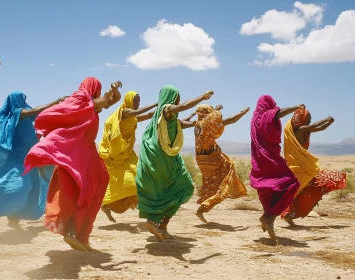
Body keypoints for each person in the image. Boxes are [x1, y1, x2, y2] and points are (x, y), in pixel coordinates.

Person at [23, 77, 121, 252]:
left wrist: (114, 92)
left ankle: (82, 237)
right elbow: (106, 100)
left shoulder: (88, 104)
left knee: (91, 191)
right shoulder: (84, 101)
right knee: (80, 192)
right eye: (98, 89)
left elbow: (111, 101)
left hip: (83, 154)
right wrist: (110, 91)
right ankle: (71, 232)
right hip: (80, 156)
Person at [136, 86, 214, 241]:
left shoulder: (163, 116)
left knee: (165, 192)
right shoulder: (166, 109)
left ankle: (159, 225)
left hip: (162, 158)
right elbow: (184, 106)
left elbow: (179, 124)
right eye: (177, 96)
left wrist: (196, 124)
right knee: (184, 187)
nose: (178, 99)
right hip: (165, 159)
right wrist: (202, 97)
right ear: (172, 97)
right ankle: (157, 224)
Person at [0, 92, 66, 228]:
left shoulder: (26, 116)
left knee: (34, 187)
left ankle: (15, 217)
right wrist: (55, 100)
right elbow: (35, 110)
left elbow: (41, 112)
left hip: (30, 157)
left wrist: (60, 107)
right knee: (20, 185)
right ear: (16, 101)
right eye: (22, 99)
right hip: (18, 158)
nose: (25, 102)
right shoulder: (16, 114)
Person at [183, 104, 249, 223]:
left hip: (202, 161)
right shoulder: (206, 125)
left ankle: (202, 209)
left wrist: (217, 109)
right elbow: (230, 120)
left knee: (212, 185)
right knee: (224, 184)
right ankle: (203, 208)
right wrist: (242, 113)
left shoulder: (197, 125)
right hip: (212, 160)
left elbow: (210, 119)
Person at [98, 91, 157, 223]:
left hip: (127, 152)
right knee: (126, 181)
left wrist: (161, 111)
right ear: (129, 101)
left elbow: (146, 115)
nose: (137, 104)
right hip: (116, 153)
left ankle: (108, 205)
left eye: (138, 101)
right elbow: (137, 112)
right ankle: (107, 203)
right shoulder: (124, 112)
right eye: (135, 101)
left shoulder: (132, 116)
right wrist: (155, 103)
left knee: (140, 175)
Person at [250, 95, 302, 241]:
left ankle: (268, 218)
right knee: (291, 182)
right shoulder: (266, 115)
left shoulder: (254, 119)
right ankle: (268, 218)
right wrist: (297, 107)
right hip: (270, 157)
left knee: (268, 188)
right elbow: (279, 113)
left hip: (259, 160)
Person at [281, 108, 346, 225]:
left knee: (303, 191)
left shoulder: (304, 130)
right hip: (301, 168)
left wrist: (329, 122)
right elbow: (317, 125)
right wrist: (327, 119)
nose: (310, 120)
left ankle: (289, 215)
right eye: (308, 118)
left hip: (304, 166)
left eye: (310, 118)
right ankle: (277, 214)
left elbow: (320, 127)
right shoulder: (300, 129)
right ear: (301, 119)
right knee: (302, 189)